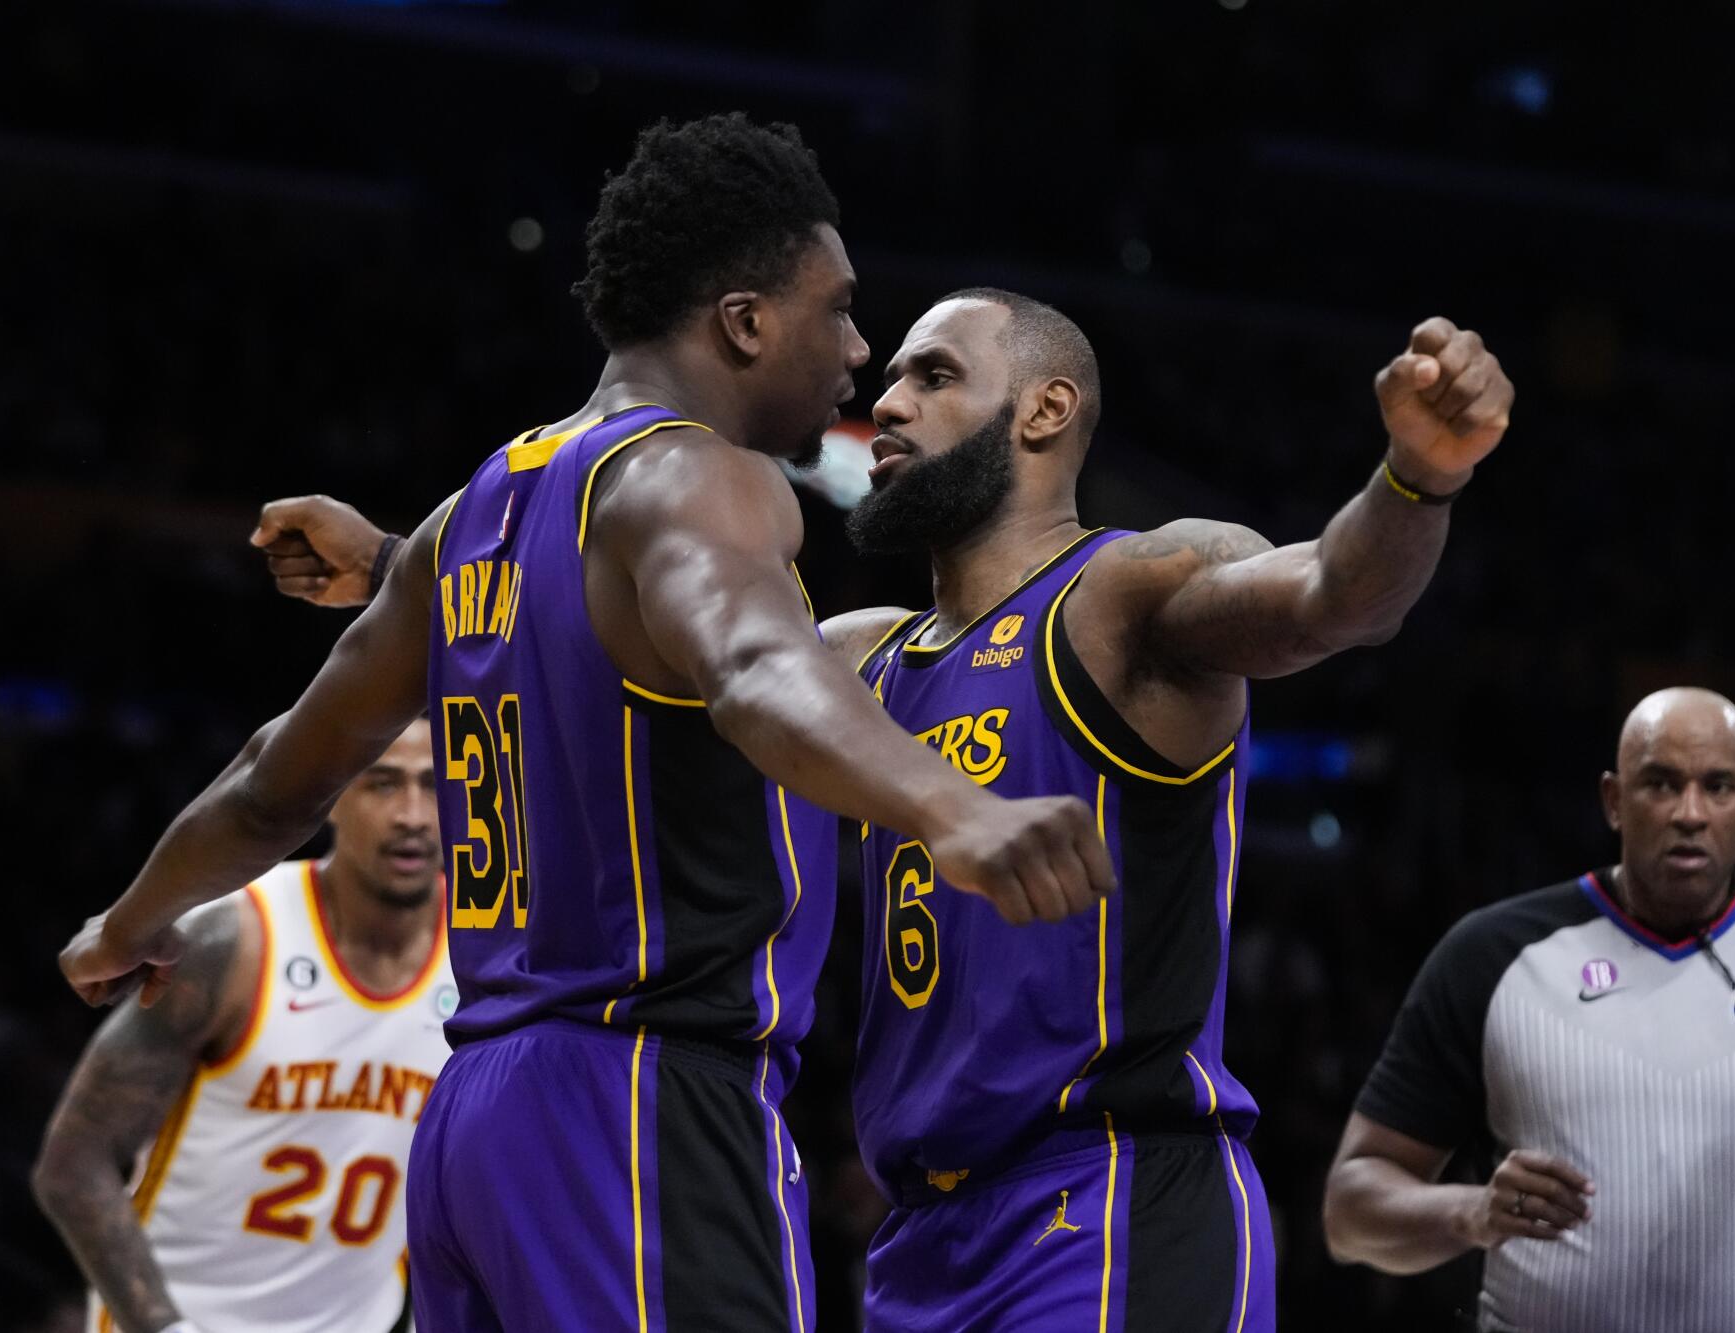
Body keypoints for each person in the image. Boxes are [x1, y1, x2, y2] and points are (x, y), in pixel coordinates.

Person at [260, 288, 1513, 1330]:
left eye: (931, 377)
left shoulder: (1128, 591)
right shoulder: (858, 655)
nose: (888, 406)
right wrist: (393, 564)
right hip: (919, 1232)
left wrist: (1414, 479)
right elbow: (631, 625)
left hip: (1108, 1193)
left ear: (1044, 409)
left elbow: (1331, 598)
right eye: (891, 377)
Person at [58, 114, 1109, 1333]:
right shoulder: (709, 478)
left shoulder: (474, 515)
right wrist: (954, 808)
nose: (860, 349)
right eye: (839, 308)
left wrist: (127, 923)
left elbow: (267, 783)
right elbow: (757, 671)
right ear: (745, 321)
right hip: (640, 1105)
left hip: (469, 1130)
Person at [1323, 687, 1735, 1333]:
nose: (1690, 812)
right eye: (1660, 784)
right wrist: (1473, 1211)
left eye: (1719, 787)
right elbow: (1350, 1210)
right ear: (1613, 800)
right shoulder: (1491, 955)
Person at [34, 720, 448, 1333]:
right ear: (333, 795)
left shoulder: (486, 952)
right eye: (382, 785)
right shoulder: (236, 937)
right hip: (181, 1318)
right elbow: (72, 1165)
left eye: (435, 787)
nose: (412, 814)